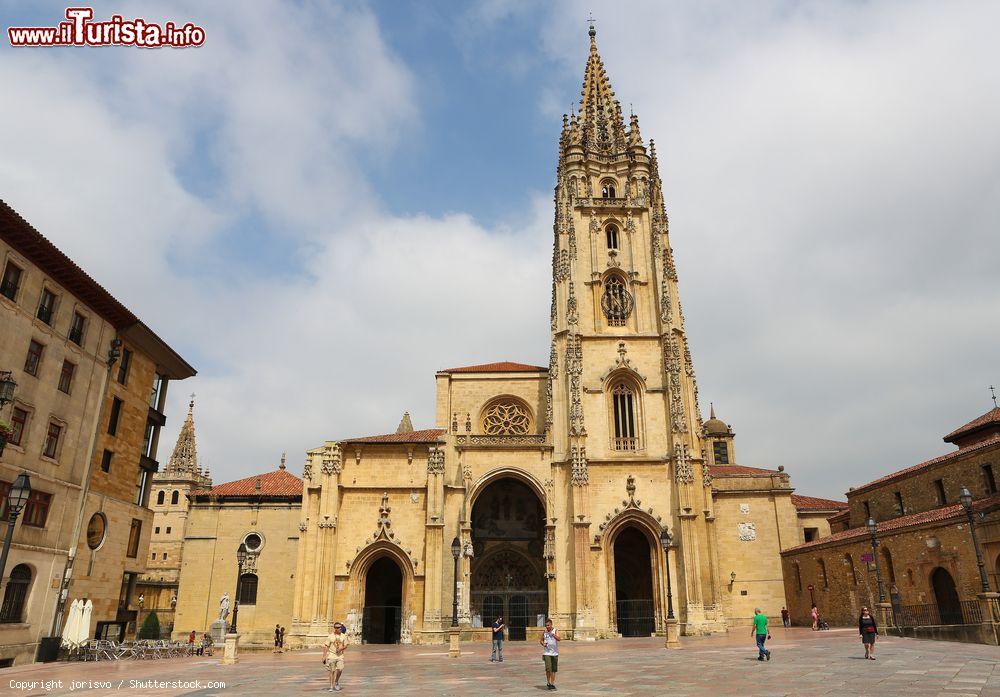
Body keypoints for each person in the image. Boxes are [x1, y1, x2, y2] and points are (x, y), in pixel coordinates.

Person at [322, 621, 348, 692]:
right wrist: (324, 656)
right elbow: (326, 646)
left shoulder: (343, 636)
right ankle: (331, 686)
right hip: (332, 655)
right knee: (332, 671)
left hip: (340, 656)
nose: (339, 629)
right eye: (337, 627)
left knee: (340, 669)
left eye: (340, 627)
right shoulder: (330, 636)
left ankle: (336, 681)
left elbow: (346, 645)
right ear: (334, 628)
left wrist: (341, 648)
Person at [540, 618, 559, 690]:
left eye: (548, 625)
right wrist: (543, 644)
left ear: (551, 625)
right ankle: (548, 682)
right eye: (546, 625)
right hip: (547, 653)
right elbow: (541, 640)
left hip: (555, 653)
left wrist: (553, 635)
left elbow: (559, 639)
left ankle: (552, 683)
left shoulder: (555, 631)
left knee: (554, 670)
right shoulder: (544, 632)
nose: (547, 627)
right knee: (548, 669)